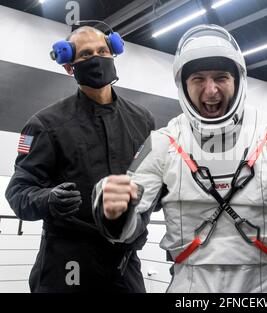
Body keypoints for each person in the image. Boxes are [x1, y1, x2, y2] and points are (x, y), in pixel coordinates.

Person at [91, 24, 267, 293]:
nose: (211, 91)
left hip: (265, 287)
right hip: (192, 286)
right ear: (183, 85)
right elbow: (124, 232)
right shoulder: (163, 142)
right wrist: (114, 212)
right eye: (198, 79)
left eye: (221, 77)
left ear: (237, 80)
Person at [5, 25, 155, 292]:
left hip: (124, 264)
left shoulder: (142, 121)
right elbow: (18, 191)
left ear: (114, 54)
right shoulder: (44, 125)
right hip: (67, 264)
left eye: (102, 51)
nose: (96, 58)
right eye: (86, 55)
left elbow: (154, 183)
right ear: (68, 66)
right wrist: (48, 199)